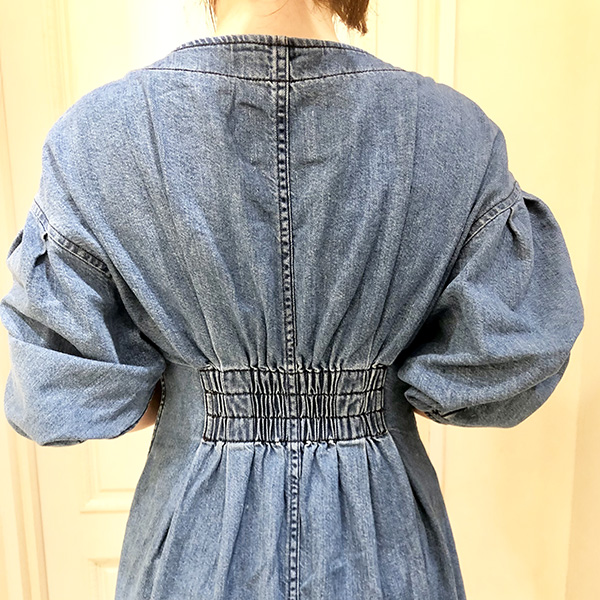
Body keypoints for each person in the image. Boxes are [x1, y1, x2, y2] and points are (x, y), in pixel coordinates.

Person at [0, 0, 584, 597]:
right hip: (384, 539)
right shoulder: (456, 134)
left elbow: (61, 391)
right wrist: (371, 386)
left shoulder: (96, 137)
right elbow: (502, 364)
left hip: (192, 542)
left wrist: (202, 394)